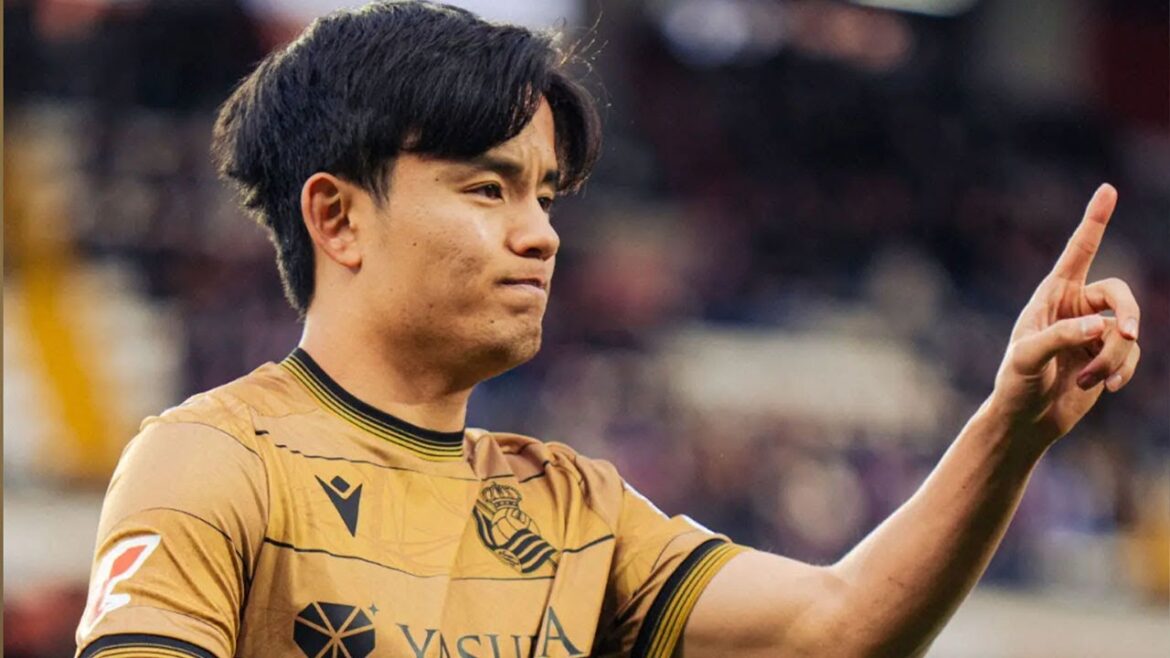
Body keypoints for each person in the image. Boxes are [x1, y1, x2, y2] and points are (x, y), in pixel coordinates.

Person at [74, 2, 1143, 657]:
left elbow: (838, 625)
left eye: (545, 195)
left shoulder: (575, 509)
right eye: (488, 188)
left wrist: (1011, 428)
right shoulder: (213, 462)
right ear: (338, 217)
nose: (540, 234)